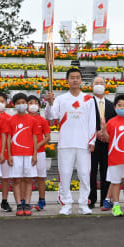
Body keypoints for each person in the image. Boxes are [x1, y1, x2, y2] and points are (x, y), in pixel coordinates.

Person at [44, 68, 96, 215]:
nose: (74, 80)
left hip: (83, 143)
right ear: (67, 80)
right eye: (72, 77)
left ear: (81, 80)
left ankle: (83, 204)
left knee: (85, 174)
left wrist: (92, 141)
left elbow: (93, 121)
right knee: (65, 174)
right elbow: (50, 116)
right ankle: (66, 204)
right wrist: (49, 103)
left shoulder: (88, 99)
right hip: (66, 143)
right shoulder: (60, 99)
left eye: (77, 77)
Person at [6, 93, 38, 216]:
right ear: (14, 105)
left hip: (29, 154)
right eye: (18, 103)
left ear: (27, 104)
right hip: (16, 154)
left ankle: (27, 204)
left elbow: (35, 138)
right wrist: (9, 155)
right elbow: (9, 139)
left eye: (23, 102)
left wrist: (35, 154)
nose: (21, 105)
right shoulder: (11, 120)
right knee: (17, 180)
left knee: (28, 179)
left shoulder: (32, 120)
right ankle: (19, 204)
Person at [88, 76, 116, 210]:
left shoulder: (111, 105)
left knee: (106, 172)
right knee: (91, 172)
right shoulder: (87, 103)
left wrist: (105, 134)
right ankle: (91, 199)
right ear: (92, 86)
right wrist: (96, 133)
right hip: (92, 143)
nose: (99, 85)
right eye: (96, 83)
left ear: (105, 86)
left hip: (107, 143)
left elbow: (114, 123)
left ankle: (106, 199)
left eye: (101, 83)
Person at [27, 95, 51, 211]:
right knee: (26, 178)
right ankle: (25, 201)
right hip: (25, 153)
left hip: (40, 152)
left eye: (36, 103)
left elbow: (47, 137)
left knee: (40, 178)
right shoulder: (24, 119)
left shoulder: (42, 120)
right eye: (30, 102)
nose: (33, 105)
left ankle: (42, 200)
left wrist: (37, 145)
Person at [0, 92, 13, 212]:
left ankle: (4, 201)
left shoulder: (9, 118)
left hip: (5, 153)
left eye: (2, 101)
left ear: (6, 103)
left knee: (5, 178)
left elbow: (9, 137)